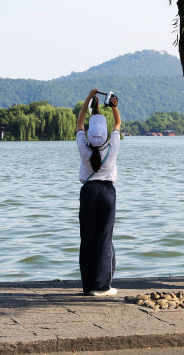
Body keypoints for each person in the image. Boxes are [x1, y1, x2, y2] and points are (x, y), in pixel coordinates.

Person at [76, 88, 121, 296]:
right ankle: (102, 286)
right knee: (104, 238)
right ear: (104, 135)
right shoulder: (112, 147)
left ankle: (88, 286)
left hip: (88, 192)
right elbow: (117, 125)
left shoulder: (84, 149)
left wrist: (88, 99)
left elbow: (80, 122)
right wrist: (113, 107)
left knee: (87, 238)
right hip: (107, 193)